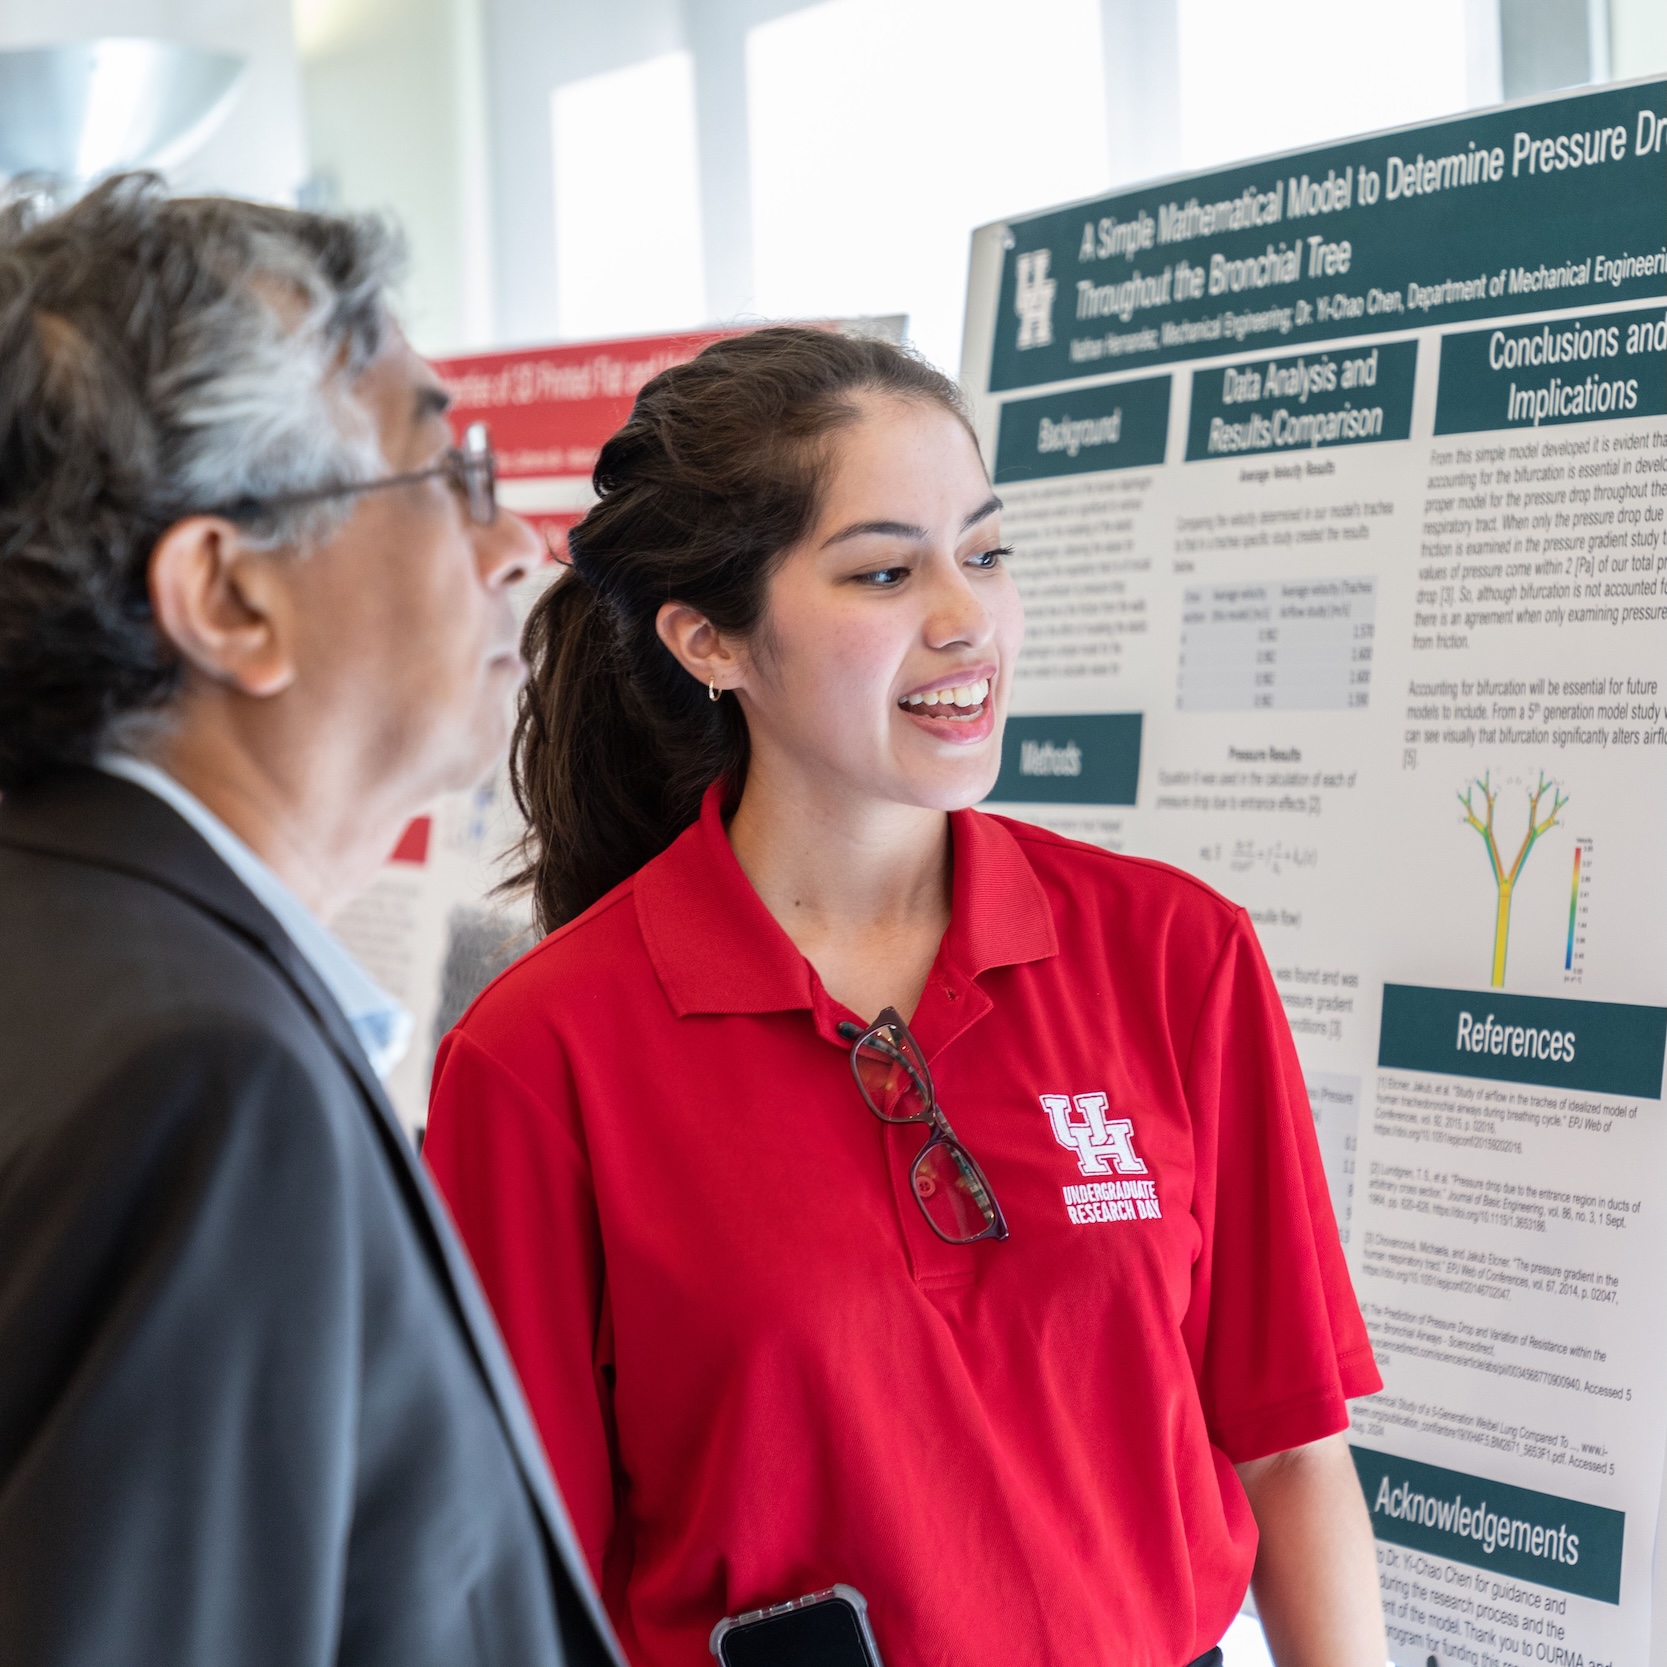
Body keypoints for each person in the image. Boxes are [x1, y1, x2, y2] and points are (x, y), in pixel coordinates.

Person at [423, 326, 1389, 1667]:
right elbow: (517, 1591)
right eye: (886, 570)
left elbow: (1289, 1451)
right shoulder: (541, 1057)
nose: (965, 618)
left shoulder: (1178, 957)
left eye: (985, 555)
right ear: (710, 639)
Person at [0, 176, 620, 1667]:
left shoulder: (71, 953)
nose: (520, 545)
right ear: (230, 595)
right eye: (451, 468)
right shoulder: (203, 1082)